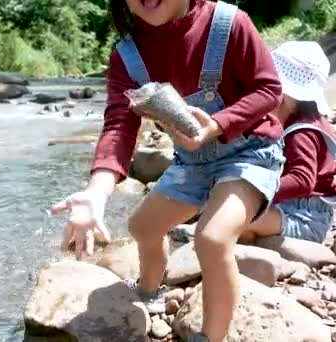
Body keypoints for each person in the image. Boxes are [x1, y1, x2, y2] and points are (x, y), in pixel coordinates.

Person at [49, 0, 284, 341]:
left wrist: (218, 124)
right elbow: (119, 123)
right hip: (192, 162)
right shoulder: (127, 55)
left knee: (212, 239)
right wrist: (97, 191)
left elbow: (268, 90)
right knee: (142, 227)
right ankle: (150, 293)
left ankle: (211, 337)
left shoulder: (230, 24)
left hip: (250, 153)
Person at [239, 41, 336, 244]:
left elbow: (302, 180)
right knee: (235, 218)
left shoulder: (302, 132)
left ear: (281, 95)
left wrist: (257, 190)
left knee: (235, 219)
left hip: (305, 218)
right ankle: (252, 253)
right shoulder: (306, 119)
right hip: (292, 209)